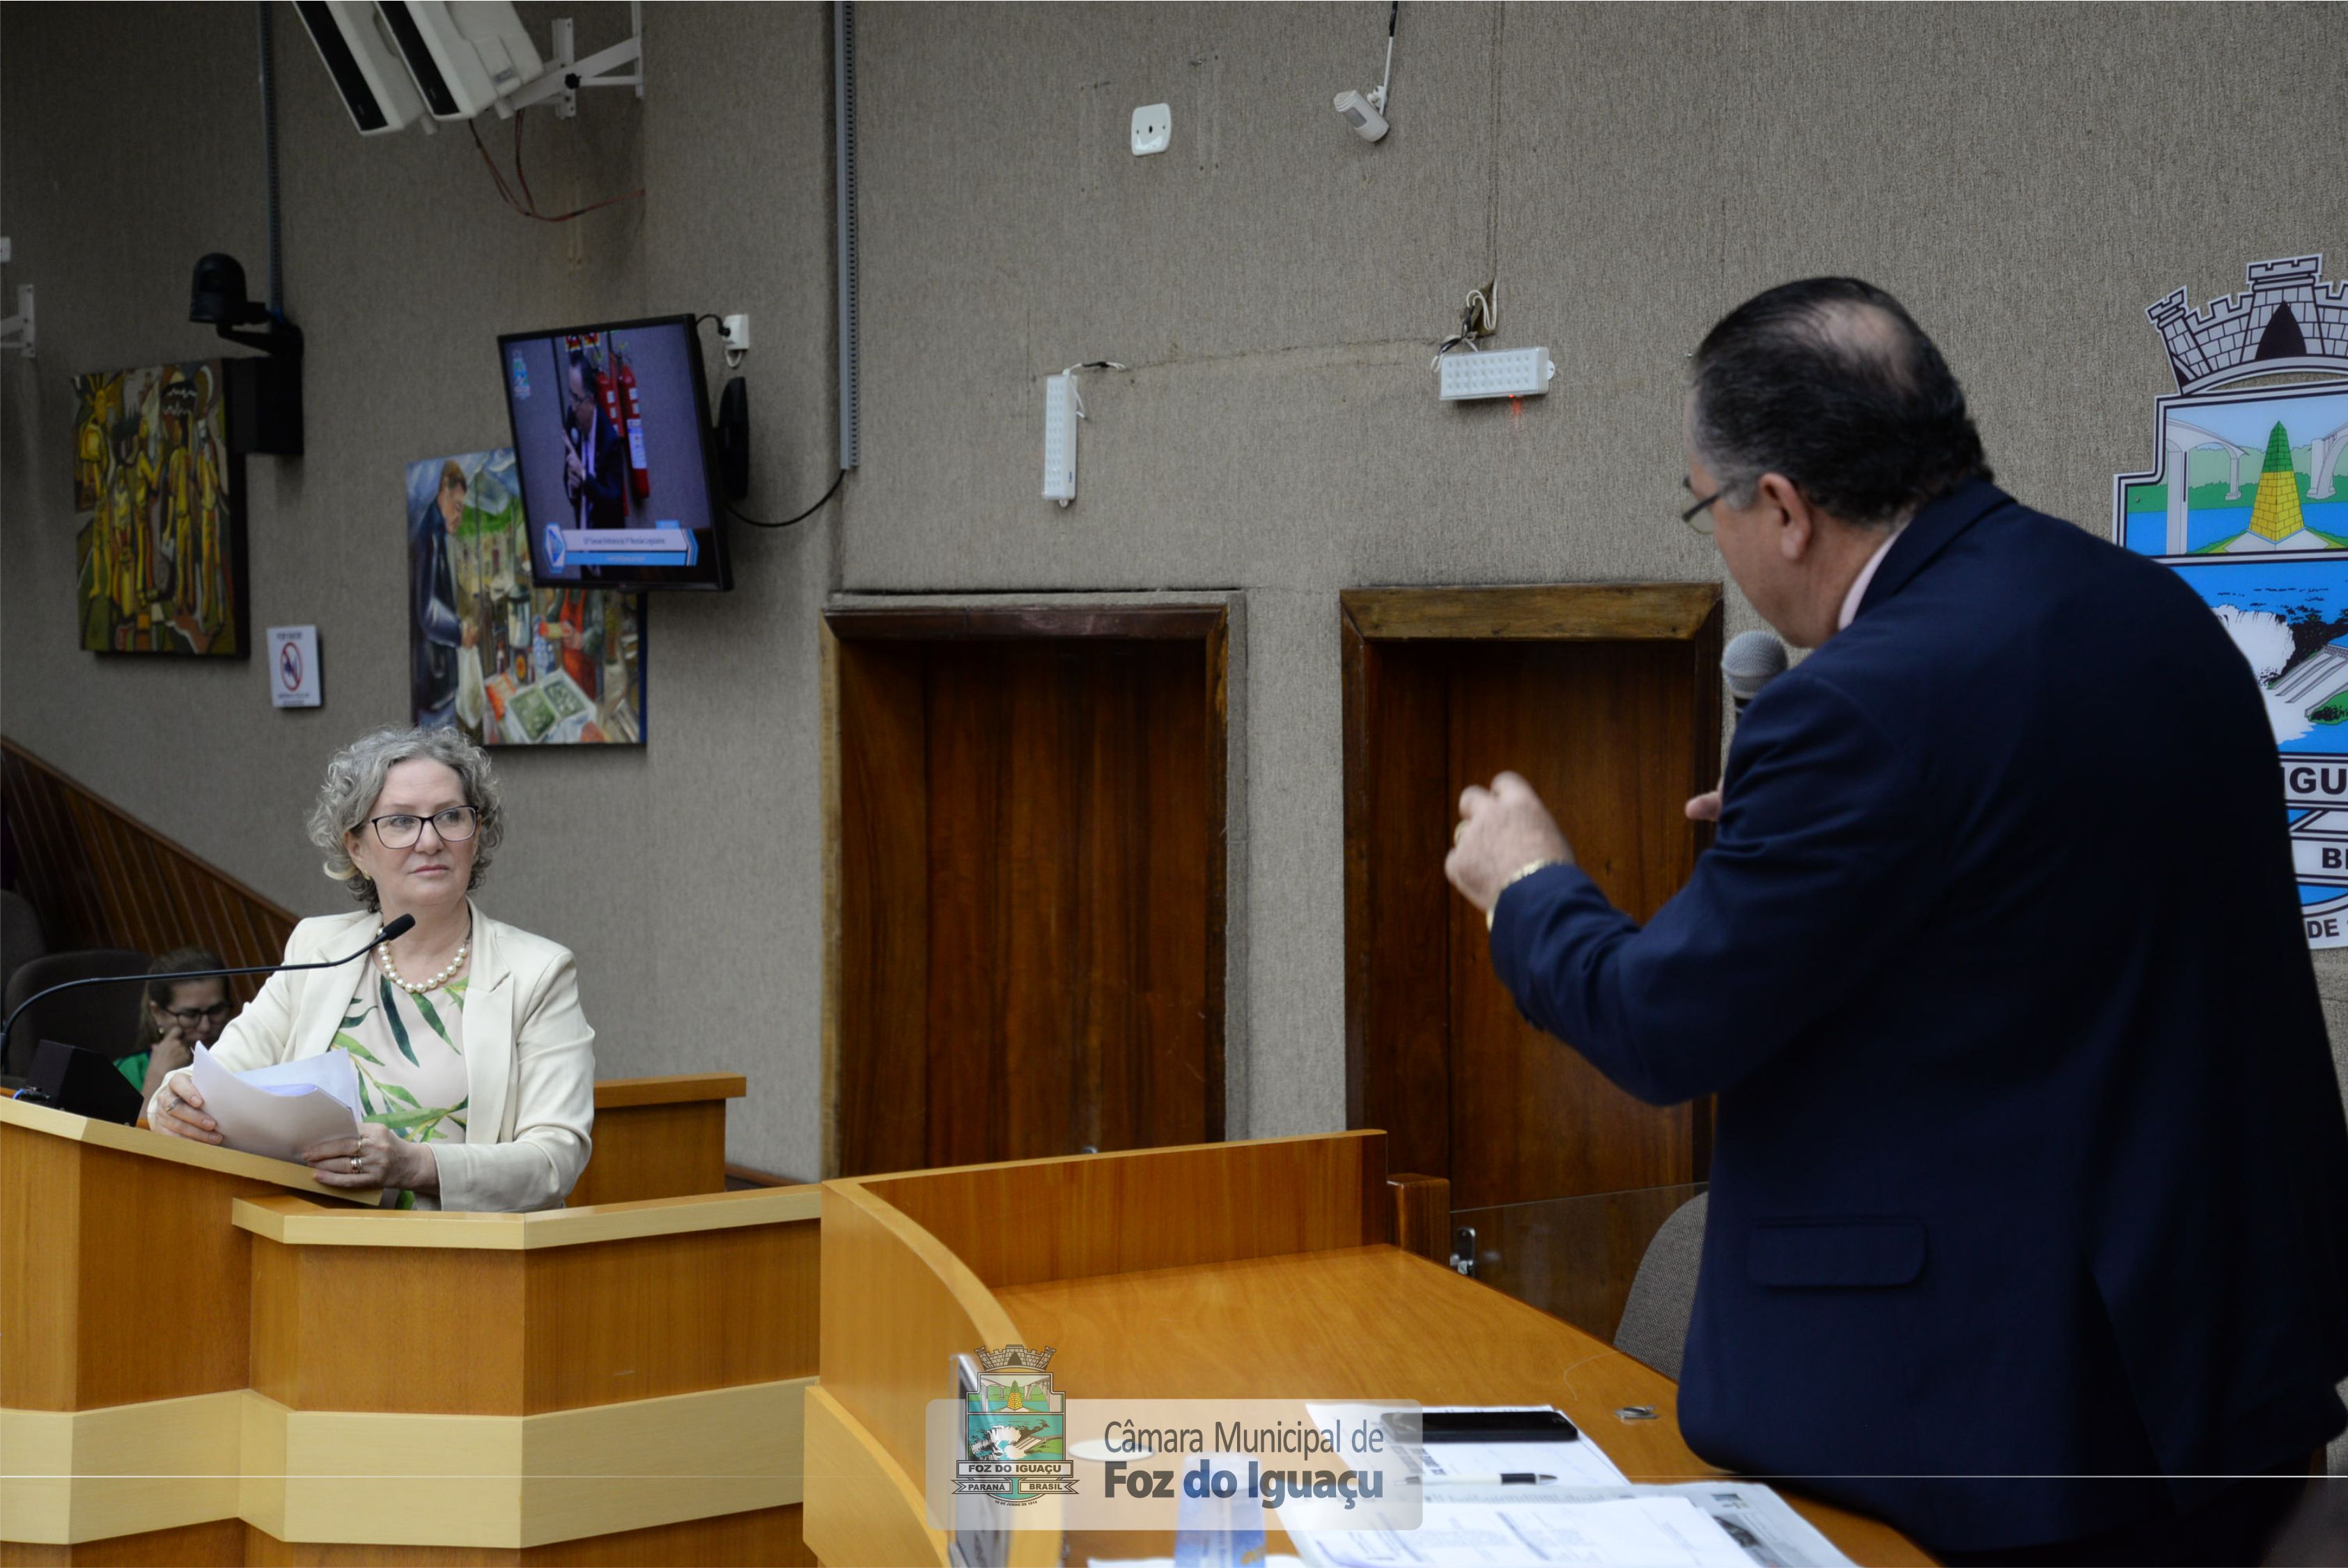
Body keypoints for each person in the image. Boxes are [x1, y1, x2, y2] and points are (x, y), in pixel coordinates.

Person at [1445, 278, 2348, 1565]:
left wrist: (1529, 884)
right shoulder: (2155, 616)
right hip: (2218, 1375)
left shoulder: (1861, 706)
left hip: (2007, 1421)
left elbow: (1666, 1027)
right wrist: (1815, 855)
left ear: (1784, 510)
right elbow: (2051, 913)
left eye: (1705, 506)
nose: (1722, 542)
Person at [146, 726, 594, 1211]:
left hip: (467, 1263)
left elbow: (555, 1160)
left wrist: (417, 1165)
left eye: (451, 816)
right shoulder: (319, 947)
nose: (430, 840)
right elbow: (216, 1077)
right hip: (309, 1247)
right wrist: (170, 1104)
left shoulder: (538, 971)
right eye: (400, 821)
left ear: (477, 833)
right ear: (357, 848)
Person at [118, 946, 233, 1104]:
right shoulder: (129, 1071)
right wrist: (157, 1078)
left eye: (216, 1011)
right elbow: (121, 1130)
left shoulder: (247, 1056)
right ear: (158, 1013)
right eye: (190, 1015)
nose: (205, 1026)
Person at [411, 459, 477, 729]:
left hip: (434, 687)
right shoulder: (430, 535)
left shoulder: (434, 531)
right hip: (435, 689)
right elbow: (427, 613)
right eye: (457, 507)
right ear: (444, 494)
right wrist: (460, 631)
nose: (459, 516)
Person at [561, 352, 627, 531]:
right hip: (584, 547)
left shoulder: (610, 441)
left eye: (577, 398)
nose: (573, 407)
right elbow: (567, 473)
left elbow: (613, 502)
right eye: (570, 396)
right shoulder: (572, 419)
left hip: (608, 550)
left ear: (591, 401)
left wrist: (583, 476)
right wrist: (573, 487)